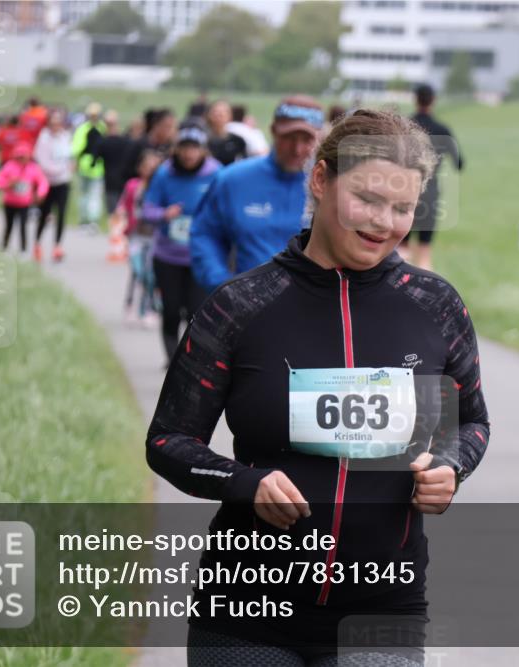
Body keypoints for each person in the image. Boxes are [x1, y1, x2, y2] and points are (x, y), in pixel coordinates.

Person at [146, 109, 489, 666]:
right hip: (248, 611)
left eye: (403, 208)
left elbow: (472, 422)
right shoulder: (240, 306)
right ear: (322, 179)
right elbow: (167, 441)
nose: (385, 222)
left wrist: (451, 465)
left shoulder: (435, 306)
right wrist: (243, 482)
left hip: (382, 609)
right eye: (368, 199)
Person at [190, 95, 322, 293]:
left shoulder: (329, 187)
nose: (297, 149)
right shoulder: (233, 180)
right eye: (289, 138)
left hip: (312, 306)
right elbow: (205, 234)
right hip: (247, 306)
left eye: (307, 139)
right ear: (273, 131)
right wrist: (221, 285)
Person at [141, 127, 222, 363]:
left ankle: (189, 360)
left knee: (197, 312)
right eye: (184, 148)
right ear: (177, 149)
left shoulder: (216, 172)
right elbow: (147, 209)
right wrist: (164, 214)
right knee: (171, 310)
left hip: (200, 256)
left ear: (203, 150)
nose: (189, 154)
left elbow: (227, 208)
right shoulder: (164, 173)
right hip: (168, 256)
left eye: (194, 148)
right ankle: (172, 359)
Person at [400, 84, 463, 271]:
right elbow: (460, 163)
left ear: (415, 99)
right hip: (431, 191)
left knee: (402, 245)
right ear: (433, 100)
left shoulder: (405, 127)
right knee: (425, 248)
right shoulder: (442, 129)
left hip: (405, 190)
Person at [120, 149, 163, 328]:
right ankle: (130, 303)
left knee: (149, 275)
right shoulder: (132, 185)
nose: (149, 169)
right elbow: (123, 205)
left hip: (154, 237)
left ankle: (146, 310)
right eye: (146, 165)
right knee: (137, 271)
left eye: (154, 166)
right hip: (135, 236)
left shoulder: (160, 188)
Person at [33, 109, 74, 262]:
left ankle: (57, 246)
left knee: (61, 214)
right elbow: (43, 163)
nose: (56, 126)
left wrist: (69, 166)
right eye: (53, 123)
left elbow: (69, 156)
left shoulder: (65, 137)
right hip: (48, 182)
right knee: (44, 215)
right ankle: (37, 243)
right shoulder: (43, 139)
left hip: (63, 182)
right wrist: (61, 168)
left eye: (59, 123)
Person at [0, 142, 49, 253]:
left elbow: (43, 182)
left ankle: (23, 249)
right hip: (9, 202)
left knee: (23, 226)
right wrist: (8, 185)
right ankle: (4, 246)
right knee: (9, 225)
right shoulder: (9, 166)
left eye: (24, 157)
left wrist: (40, 194)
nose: (22, 159)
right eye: (19, 157)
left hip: (24, 203)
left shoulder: (33, 168)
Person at [90, 109, 135, 224]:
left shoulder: (102, 142)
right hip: (124, 179)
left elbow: (93, 161)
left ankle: (114, 234)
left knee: (112, 210)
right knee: (123, 209)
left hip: (109, 179)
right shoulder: (126, 141)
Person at [71, 102, 105, 231]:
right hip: (93, 167)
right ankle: (90, 220)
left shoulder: (84, 128)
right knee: (91, 195)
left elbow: (76, 148)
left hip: (91, 167)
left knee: (87, 195)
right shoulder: (102, 128)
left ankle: (87, 220)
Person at [121, 108, 177, 187]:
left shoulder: (170, 148)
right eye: (167, 126)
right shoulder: (139, 144)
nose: (170, 131)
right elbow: (125, 171)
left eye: (172, 127)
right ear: (156, 125)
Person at [204, 100, 247, 166]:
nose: (218, 116)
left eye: (223, 113)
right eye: (215, 112)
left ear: (230, 116)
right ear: (209, 115)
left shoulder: (237, 141)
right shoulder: (202, 140)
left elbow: (243, 163)